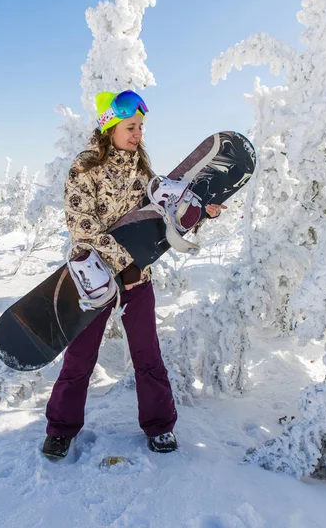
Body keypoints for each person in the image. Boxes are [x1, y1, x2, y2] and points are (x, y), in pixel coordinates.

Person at [42, 90, 225, 459]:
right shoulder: (85, 167)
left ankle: (159, 427)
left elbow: (163, 215)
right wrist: (121, 259)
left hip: (136, 277)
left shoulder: (142, 169)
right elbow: (82, 226)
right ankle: (61, 429)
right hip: (93, 277)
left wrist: (200, 214)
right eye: (131, 126)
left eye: (140, 126)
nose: (138, 133)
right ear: (109, 126)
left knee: (147, 355)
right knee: (80, 357)